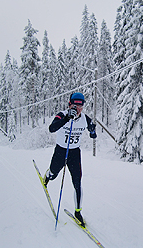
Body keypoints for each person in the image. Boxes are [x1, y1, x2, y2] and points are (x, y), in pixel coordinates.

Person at [43, 92, 97, 226]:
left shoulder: (85, 118)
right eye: (75, 105)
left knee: (77, 183)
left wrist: (92, 131)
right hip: (61, 151)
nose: (78, 109)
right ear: (70, 105)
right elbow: (52, 128)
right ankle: (48, 175)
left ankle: (78, 212)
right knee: (54, 174)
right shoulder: (62, 115)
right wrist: (67, 118)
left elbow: (93, 135)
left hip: (74, 154)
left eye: (81, 106)